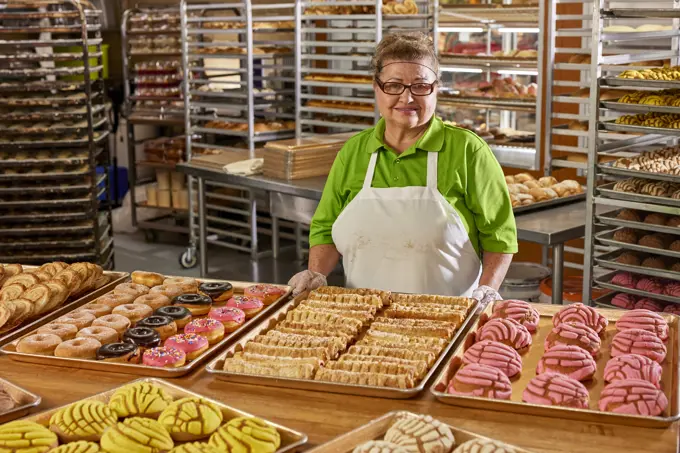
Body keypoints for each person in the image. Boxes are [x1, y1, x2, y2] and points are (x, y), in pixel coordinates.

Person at [289, 32, 517, 304]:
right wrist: (316, 273)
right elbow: (325, 229)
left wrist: (487, 290)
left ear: (437, 88)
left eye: (420, 86)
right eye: (394, 85)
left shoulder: (468, 151)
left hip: (449, 317)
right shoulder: (354, 152)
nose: (407, 98)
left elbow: (499, 236)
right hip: (364, 316)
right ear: (377, 87)